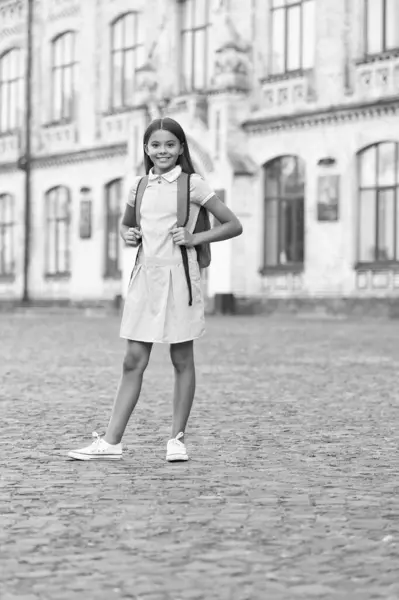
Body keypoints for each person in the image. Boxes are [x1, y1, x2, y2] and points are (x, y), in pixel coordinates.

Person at [68, 117, 243, 463]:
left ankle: (177, 440)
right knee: (133, 359)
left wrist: (196, 238)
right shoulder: (138, 186)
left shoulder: (193, 185)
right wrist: (126, 234)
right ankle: (112, 441)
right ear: (146, 149)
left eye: (170, 145)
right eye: (155, 145)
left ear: (181, 148)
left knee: (181, 359)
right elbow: (126, 225)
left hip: (180, 278)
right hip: (145, 279)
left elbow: (233, 224)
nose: (162, 151)